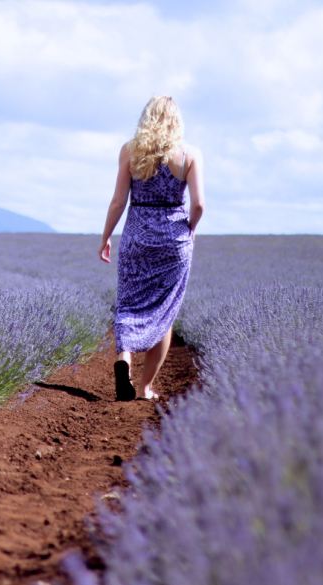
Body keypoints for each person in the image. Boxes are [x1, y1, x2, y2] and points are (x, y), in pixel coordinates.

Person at [98, 96, 205, 401]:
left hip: (137, 236)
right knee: (165, 310)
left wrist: (105, 236)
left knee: (128, 304)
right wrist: (190, 229)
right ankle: (145, 387)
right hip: (174, 241)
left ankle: (124, 362)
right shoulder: (190, 154)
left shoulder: (130, 151)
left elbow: (119, 201)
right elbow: (199, 204)